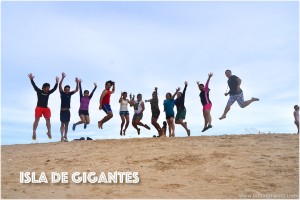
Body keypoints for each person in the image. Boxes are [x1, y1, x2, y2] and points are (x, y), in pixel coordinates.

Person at [28, 73, 59, 140]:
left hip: (46, 108)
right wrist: (31, 79)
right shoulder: (39, 91)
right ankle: (34, 132)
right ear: (44, 87)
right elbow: (34, 86)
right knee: (37, 120)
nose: (48, 89)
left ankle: (49, 132)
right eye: (47, 88)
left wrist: (56, 82)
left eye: (49, 88)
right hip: (39, 107)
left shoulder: (48, 92)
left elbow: (54, 89)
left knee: (48, 120)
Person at [59, 72, 79, 142]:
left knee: (67, 124)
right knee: (62, 124)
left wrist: (77, 83)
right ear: (64, 89)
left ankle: (65, 136)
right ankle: (61, 137)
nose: (67, 90)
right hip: (62, 111)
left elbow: (76, 90)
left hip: (67, 111)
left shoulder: (70, 94)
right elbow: (60, 85)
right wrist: (62, 78)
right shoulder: (62, 93)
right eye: (66, 89)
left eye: (68, 89)